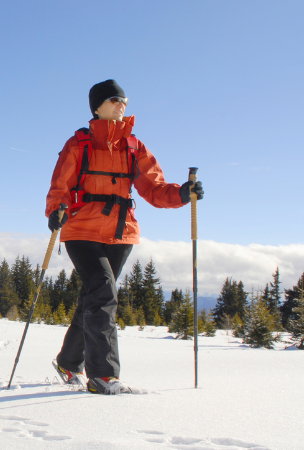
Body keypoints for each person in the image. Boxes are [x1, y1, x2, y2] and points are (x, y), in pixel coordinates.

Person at [45, 79, 203, 395]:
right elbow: (60, 185)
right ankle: (103, 376)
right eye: (116, 99)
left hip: (120, 234)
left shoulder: (134, 146)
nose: (122, 105)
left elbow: (154, 190)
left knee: (95, 296)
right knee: (103, 291)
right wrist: (55, 211)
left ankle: (68, 361)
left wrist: (182, 194)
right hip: (81, 230)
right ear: (97, 106)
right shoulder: (79, 144)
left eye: (125, 101)